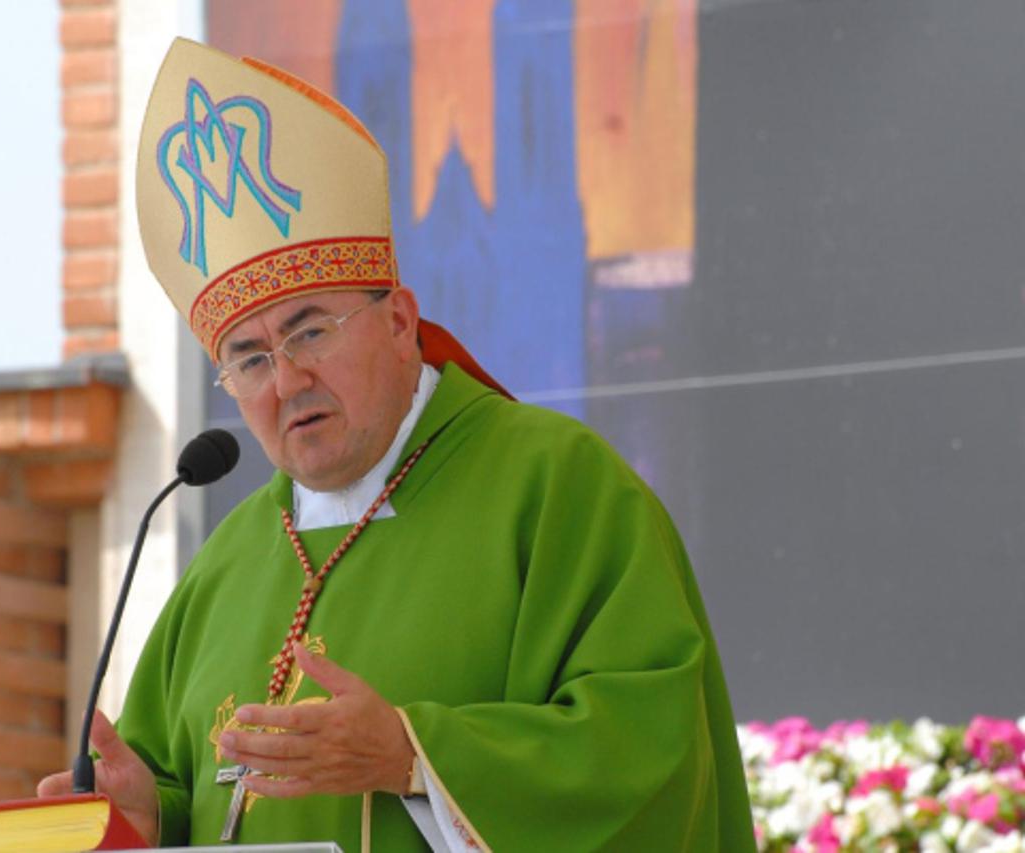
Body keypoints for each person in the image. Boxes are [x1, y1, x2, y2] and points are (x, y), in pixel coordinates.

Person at [38, 38, 756, 852]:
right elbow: (189, 790)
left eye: (311, 330)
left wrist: (415, 756)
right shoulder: (224, 568)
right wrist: (149, 818)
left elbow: (650, 757)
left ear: (400, 322)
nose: (287, 379)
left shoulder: (557, 486)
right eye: (250, 359)